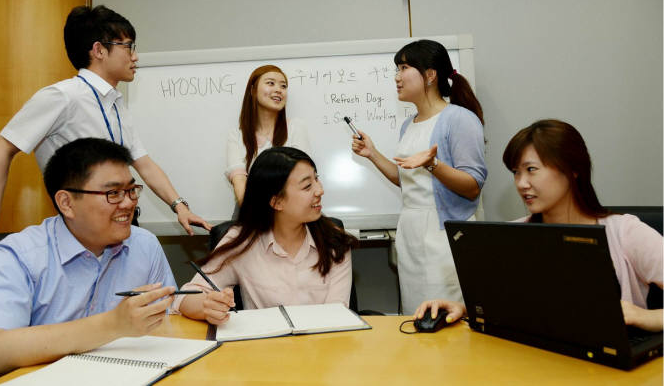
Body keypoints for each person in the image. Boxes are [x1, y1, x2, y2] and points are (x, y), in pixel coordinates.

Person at [0, 5, 210, 247]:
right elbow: (1, 148)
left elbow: (143, 162)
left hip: (121, 223)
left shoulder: (115, 102)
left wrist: (180, 207)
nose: (135, 56)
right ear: (99, 50)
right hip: (80, 231)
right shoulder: (62, 96)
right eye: (128, 47)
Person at [415, 119, 663, 332]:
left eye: (531, 170)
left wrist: (644, 316)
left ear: (572, 169)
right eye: (516, 172)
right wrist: (463, 308)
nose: (522, 183)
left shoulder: (625, 233)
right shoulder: (513, 235)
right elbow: (513, 306)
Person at [0, 138, 178, 384]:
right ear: (66, 203)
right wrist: (112, 324)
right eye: (113, 193)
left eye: (131, 190)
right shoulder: (16, 256)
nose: (129, 203)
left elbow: (167, 323)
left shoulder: (144, 245)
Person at [351, 39, 486, 314]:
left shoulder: (459, 119)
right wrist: (373, 153)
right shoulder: (407, 125)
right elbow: (406, 180)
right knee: (415, 315)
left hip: (444, 237)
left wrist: (433, 164)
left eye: (403, 68)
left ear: (430, 75)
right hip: (410, 232)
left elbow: (472, 187)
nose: (397, 77)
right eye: (396, 70)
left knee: (444, 317)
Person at [176, 147, 355, 325]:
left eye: (317, 179)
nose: (320, 190)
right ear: (276, 201)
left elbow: (337, 316)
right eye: (307, 186)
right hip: (263, 350)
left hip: (322, 348)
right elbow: (185, 297)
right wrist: (207, 306)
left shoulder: (334, 241)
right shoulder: (242, 242)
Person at [226, 65, 311, 207]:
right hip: (250, 208)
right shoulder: (236, 135)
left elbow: (304, 176)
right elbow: (239, 181)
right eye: (270, 83)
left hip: (291, 208)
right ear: (253, 90)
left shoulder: (296, 127)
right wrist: (255, 216)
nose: (279, 89)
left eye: (283, 86)